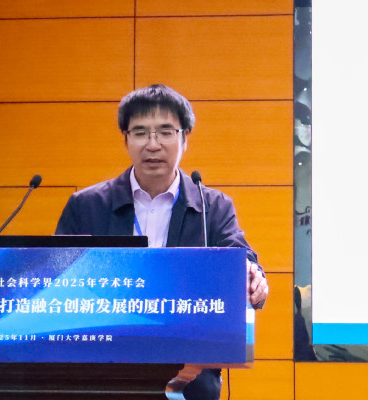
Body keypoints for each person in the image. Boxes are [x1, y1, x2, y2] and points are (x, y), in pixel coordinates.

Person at [56, 84, 269, 400]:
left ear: (185, 138)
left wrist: (252, 274)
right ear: (126, 139)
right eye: (140, 132)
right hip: (104, 377)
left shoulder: (213, 206)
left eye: (165, 132)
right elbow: (59, 282)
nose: (152, 144)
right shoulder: (86, 206)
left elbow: (238, 255)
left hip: (190, 382)